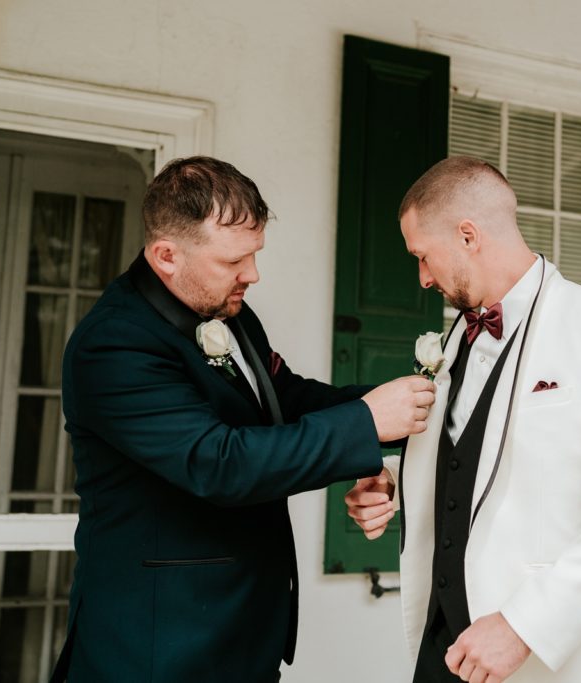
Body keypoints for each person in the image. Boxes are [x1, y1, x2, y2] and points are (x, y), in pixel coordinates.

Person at [50, 156, 435, 682]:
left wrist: (407, 407)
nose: (252, 275)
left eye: (254, 255)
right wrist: (366, 424)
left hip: (243, 638)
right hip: (159, 651)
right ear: (166, 255)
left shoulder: (230, 311)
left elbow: (284, 400)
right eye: (234, 261)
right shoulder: (114, 345)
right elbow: (219, 463)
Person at [345, 156, 581, 683]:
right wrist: (393, 483)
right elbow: (475, 462)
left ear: (469, 235)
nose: (423, 278)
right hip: (440, 651)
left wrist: (525, 626)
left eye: (424, 257)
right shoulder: (455, 339)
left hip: (539, 657)